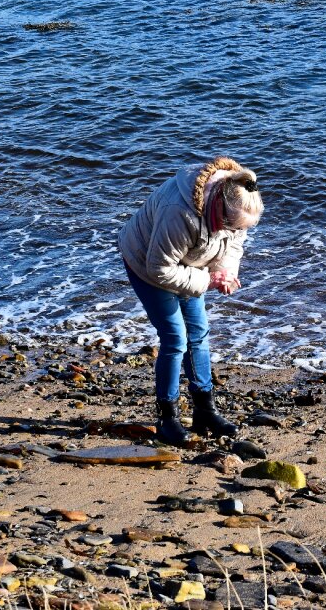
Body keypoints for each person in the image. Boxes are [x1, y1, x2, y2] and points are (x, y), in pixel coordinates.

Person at [118, 157, 263, 446]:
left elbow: (233, 244)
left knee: (198, 334)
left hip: (189, 264)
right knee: (175, 339)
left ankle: (205, 410)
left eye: (243, 228)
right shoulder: (179, 212)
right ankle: (167, 417)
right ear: (219, 207)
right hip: (146, 264)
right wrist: (207, 281)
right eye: (233, 226)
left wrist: (224, 273)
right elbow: (158, 268)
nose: (237, 232)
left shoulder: (240, 201)